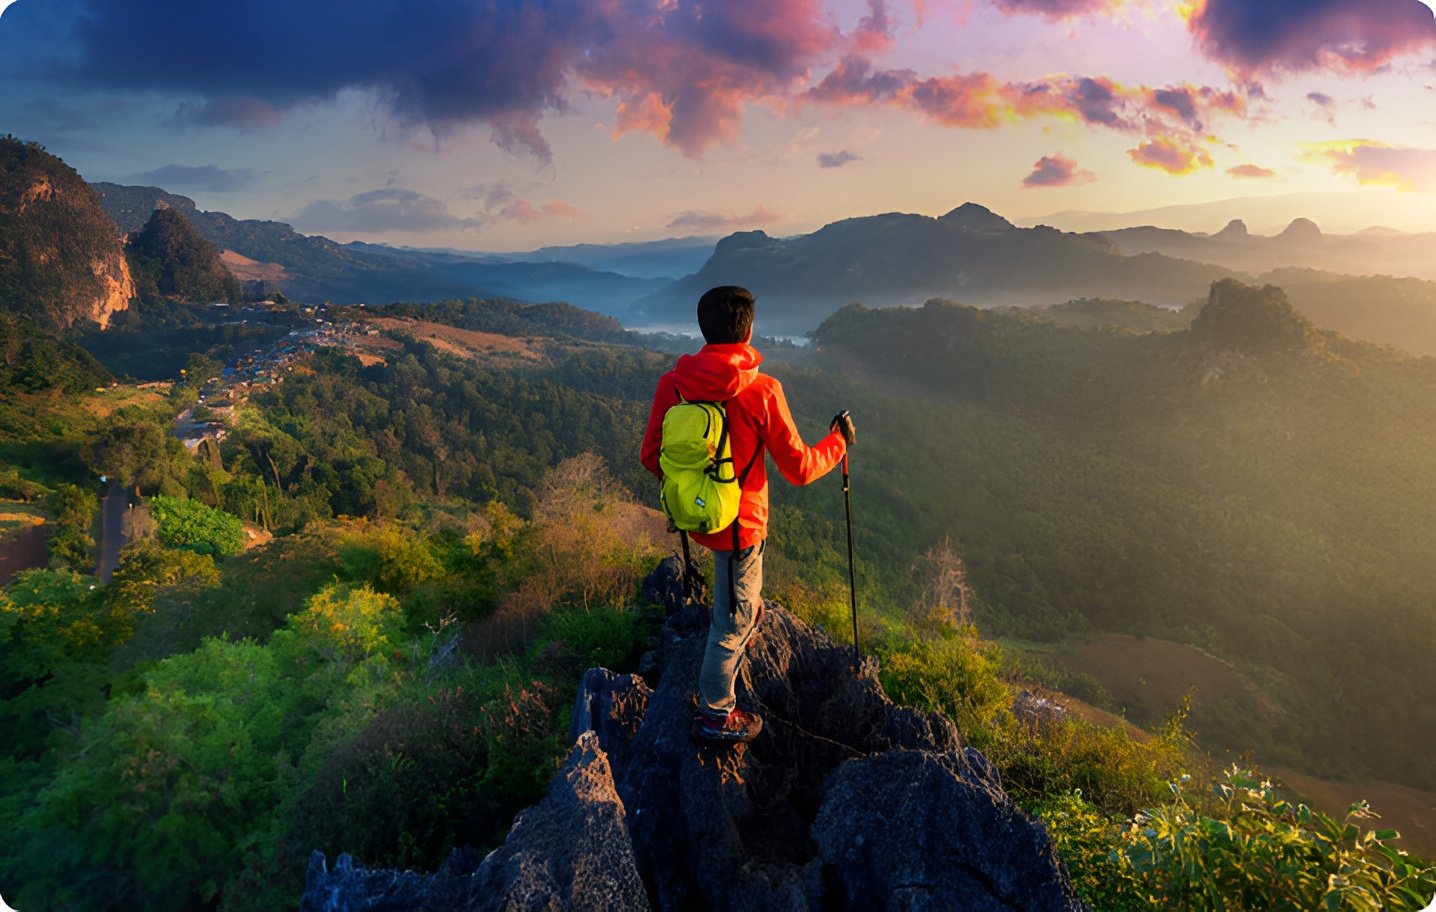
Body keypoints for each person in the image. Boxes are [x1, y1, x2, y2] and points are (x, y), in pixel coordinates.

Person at [640, 285, 856, 744]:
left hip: (700, 519)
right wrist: (837, 443)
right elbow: (799, 468)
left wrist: (696, 491)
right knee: (731, 623)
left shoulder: (672, 385)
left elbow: (651, 455)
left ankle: (743, 614)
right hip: (742, 527)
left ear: (704, 329)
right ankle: (715, 714)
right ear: (749, 330)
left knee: (737, 598)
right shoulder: (763, 390)